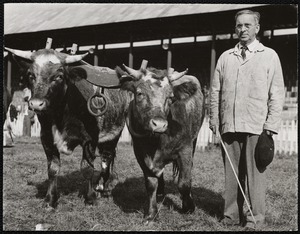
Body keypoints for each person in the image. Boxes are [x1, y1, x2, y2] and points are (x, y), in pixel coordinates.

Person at [209, 9, 285, 230]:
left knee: (255, 176)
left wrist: (270, 126)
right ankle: (231, 216)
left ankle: (255, 219)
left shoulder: (269, 56)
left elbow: (276, 93)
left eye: (247, 25)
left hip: (256, 126)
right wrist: (215, 119)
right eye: (239, 26)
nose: (242, 29)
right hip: (230, 125)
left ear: (257, 28)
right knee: (232, 177)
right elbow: (215, 91)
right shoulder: (225, 57)